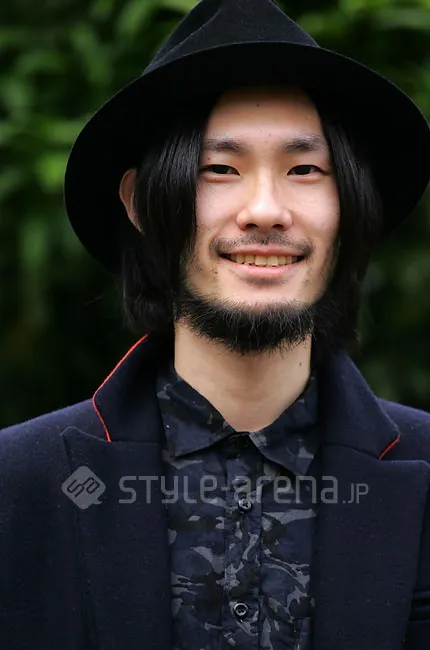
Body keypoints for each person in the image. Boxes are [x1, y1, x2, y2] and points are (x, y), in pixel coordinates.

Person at [1, 0, 429, 648]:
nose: (265, 210)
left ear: (349, 204)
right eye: (219, 169)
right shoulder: (19, 485)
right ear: (140, 203)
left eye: (305, 170)